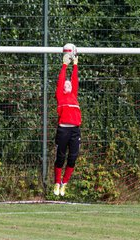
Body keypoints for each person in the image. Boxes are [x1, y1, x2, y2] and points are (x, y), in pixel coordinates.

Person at [53, 51, 81, 196]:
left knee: (73, 157)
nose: (68, 83)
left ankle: (64, 183)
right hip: (63, 130)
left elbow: (75, 80)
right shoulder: (60, 96)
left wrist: (75, 66)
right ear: (63, 87)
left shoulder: (74, 95)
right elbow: (61, 80)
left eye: (70, 83)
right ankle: (57, 182)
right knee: (61, 157)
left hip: (75, 130)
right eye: (66, 83)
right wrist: (64, 65)